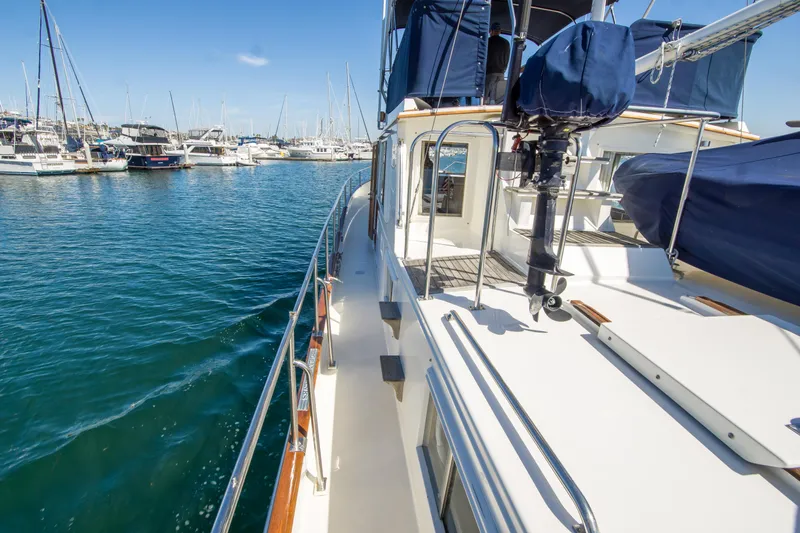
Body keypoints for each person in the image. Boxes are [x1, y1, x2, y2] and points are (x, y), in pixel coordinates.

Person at [485, 22, 510, 104]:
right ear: (499, 31)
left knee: (485, 95)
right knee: (498, 95)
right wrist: (503, 69)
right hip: (501, 72)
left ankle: (484, 105)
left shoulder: (488, 42)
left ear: (491, 31)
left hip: (490, 72)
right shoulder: (506, 43)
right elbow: (507, 57)